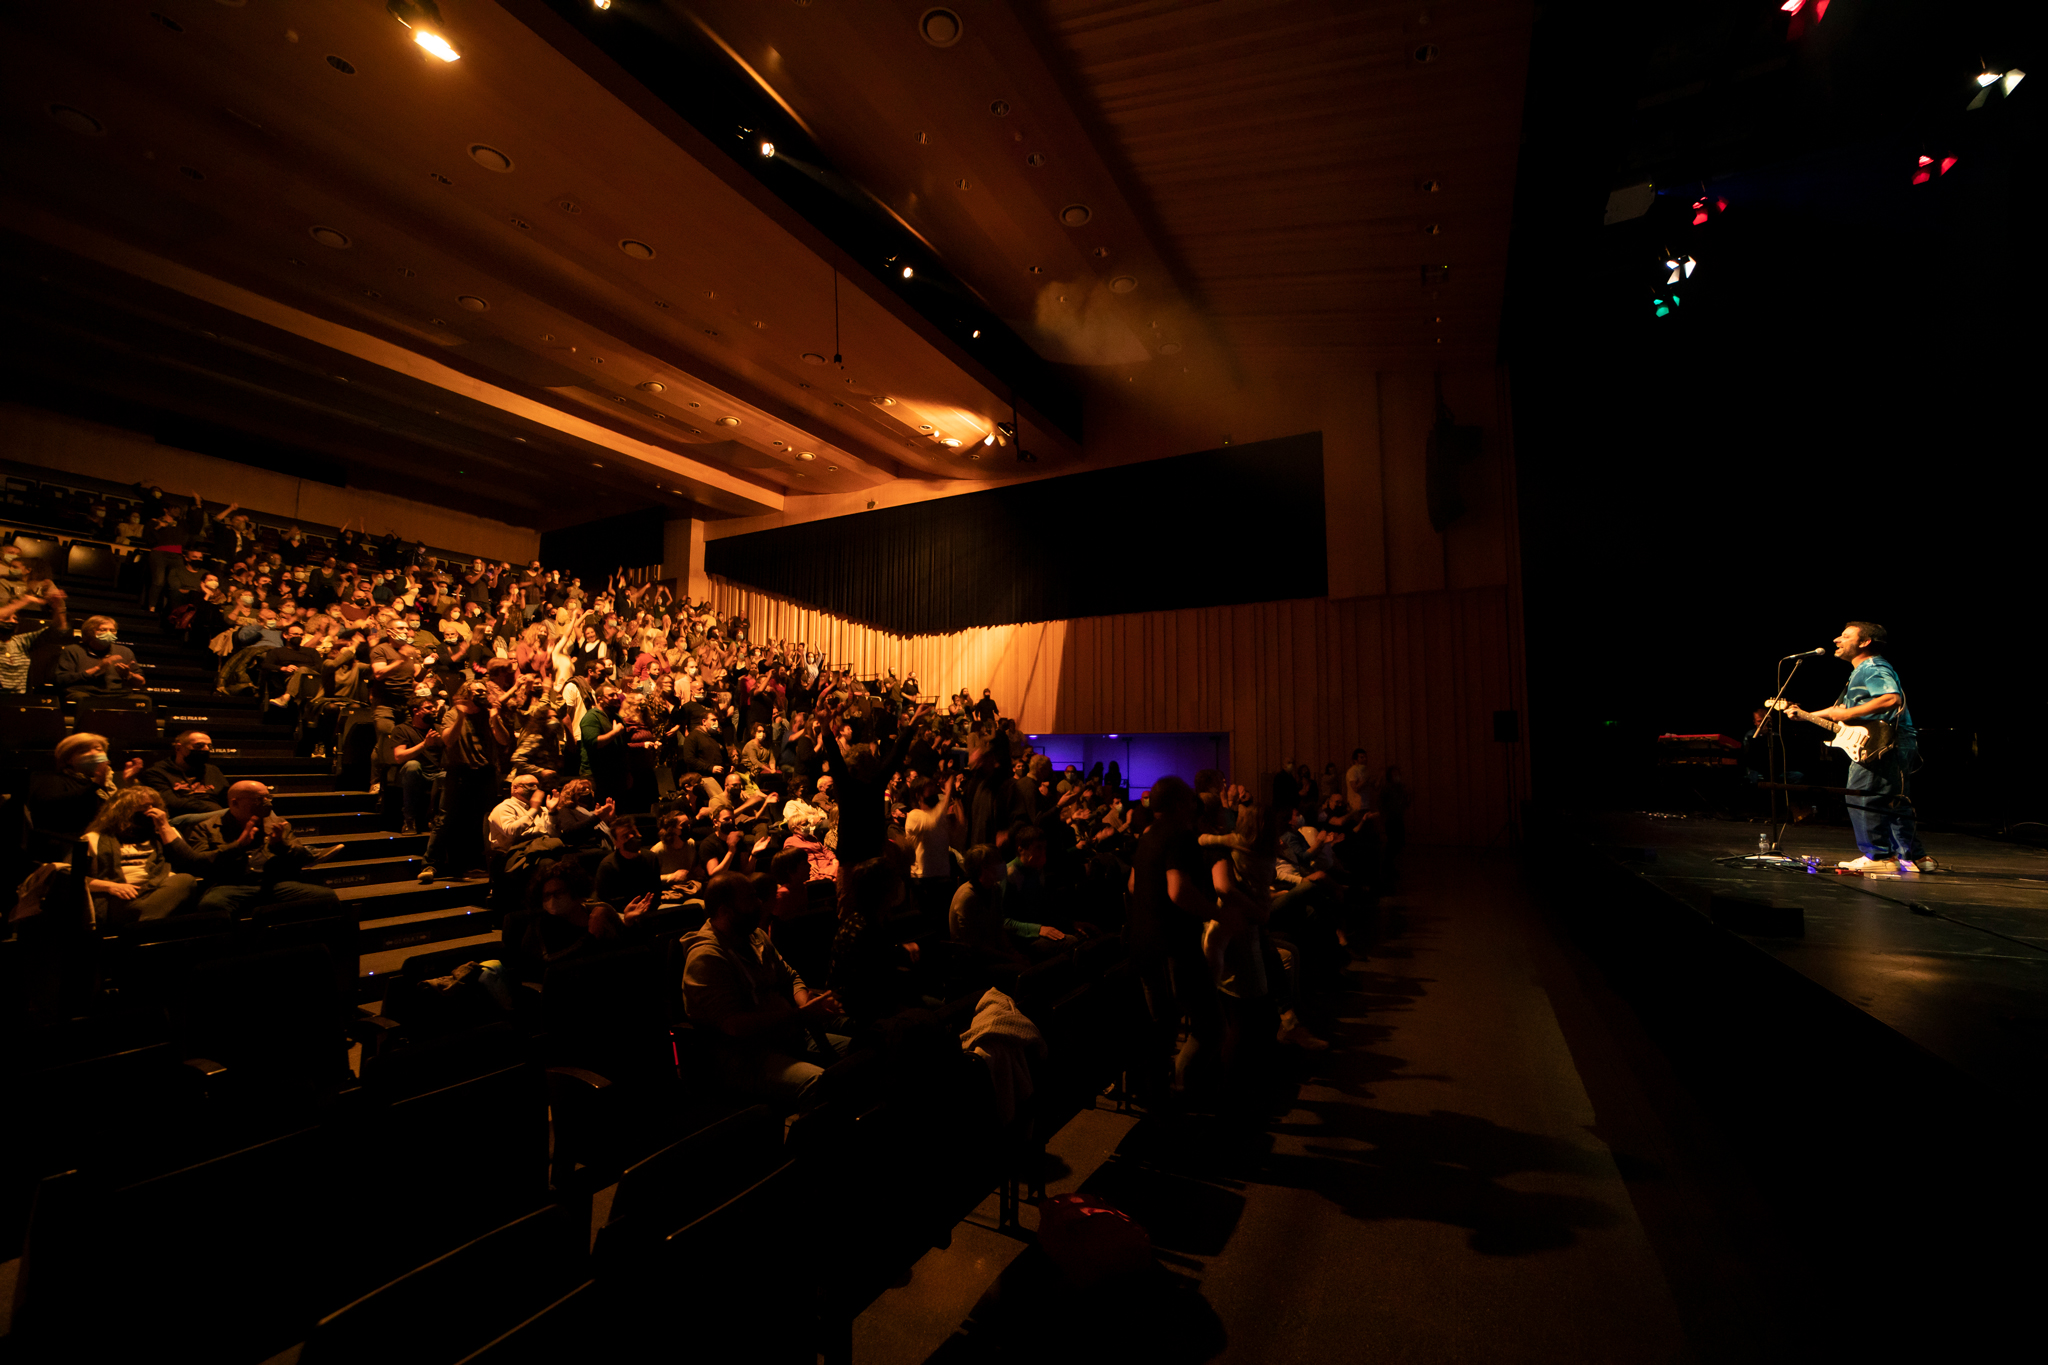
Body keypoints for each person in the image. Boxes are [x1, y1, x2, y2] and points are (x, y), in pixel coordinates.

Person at [679, 871, 846, 1108]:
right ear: (725, 911)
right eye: (750, 899)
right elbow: (734, 1025)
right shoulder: (706, 956)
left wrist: (805, 1004)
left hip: (786, 1033)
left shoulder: (754, 936)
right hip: (743, 1056)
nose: (759, 903)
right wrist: (801, 1015)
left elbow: (790, 976)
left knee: (862, 1052)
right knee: (821, 1085)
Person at [1784, 621, 1933, 873]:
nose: (1836, 640)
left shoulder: (1871, 667)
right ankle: (1915, 857)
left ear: (1865, 642)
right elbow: (1841, 713)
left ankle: (1878, 857)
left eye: (1845, 636)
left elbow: (1890, 698)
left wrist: (1845, 712)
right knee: (1893, 801)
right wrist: (1806, 714)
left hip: (1882, 743)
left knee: (1861, 796)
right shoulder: (1863, 670)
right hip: (1891, 741)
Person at [180, 781, 343, 920]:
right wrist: (237, 846)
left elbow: (297, 858)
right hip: (231, 884)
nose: (267, 803)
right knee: (211, 906)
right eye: (259, 799)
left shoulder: (277, 823)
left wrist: (279, 845)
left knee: (326, 897)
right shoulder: (206, 827)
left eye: (268, 797)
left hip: (273, 882)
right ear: (234, 803)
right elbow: (199, 863)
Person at [79, 788, 204, 928]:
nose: (150, 811)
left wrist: (164, 827)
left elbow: (190, 862)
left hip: (158, 892)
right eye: (143, 807)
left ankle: (139, 926)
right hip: (119, 897)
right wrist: (111, 886)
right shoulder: (93, 839)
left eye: (154, 806)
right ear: (123, 810)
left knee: (185, 880)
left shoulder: (164, 832)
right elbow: (72, 878)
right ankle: (144, 926)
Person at [137, 730, 228, 827]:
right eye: (199, 745)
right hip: (182, 819)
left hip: (216, 815)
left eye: (209, 746)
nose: (206, 749)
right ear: (178, 748)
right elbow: (172, 803)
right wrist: (219, 812)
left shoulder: (212, 770)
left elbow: (226, 795)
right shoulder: (156, 772)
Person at [53, 615, 146, 701]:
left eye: (112, 630)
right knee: (83, 699)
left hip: (117, 693)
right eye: (103, 630)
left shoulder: (125, 651)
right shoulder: (73, 650)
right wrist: (97, 668)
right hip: (86, 692)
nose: (109, 633)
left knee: (143, 700)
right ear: (90, 632)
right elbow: (61, 679)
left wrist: (129, 674)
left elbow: (141, 682)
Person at [0, 586, 66, 694]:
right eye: (7, 618)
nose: (12, 621)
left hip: (18, 699)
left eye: (15, 618)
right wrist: (26, 600)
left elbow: (57, 630)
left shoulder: (20, 641)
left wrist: (58, 606)